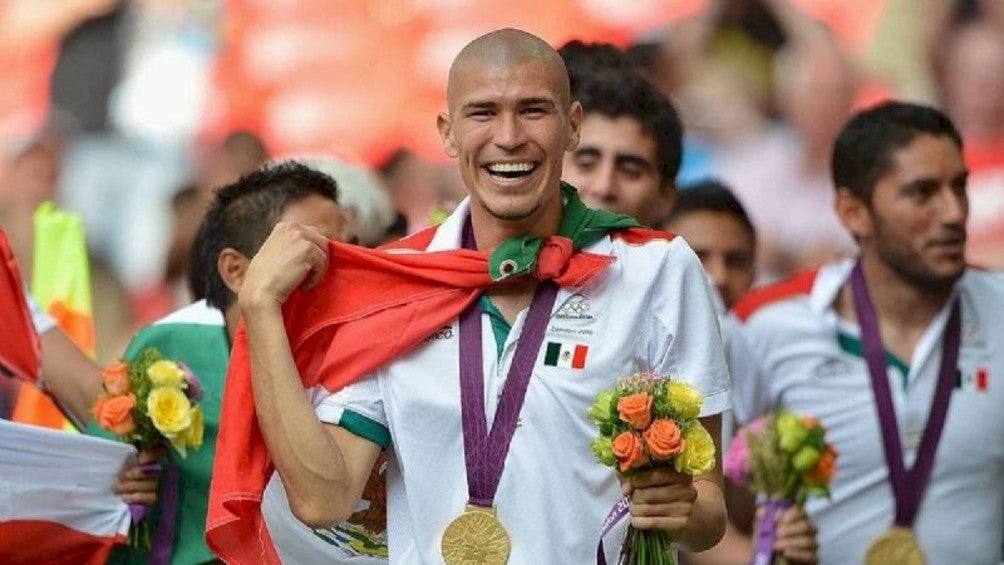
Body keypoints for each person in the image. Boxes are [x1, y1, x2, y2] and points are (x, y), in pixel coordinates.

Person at [216, 28, 730, 564]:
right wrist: (261, 311)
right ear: (448, 132)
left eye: (533, 110)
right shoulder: (401, 282)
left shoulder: (656, 269)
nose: (509, 137)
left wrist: (680, 506)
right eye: (483, 112)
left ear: (571, 126)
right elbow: (324, 497)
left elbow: (708, 513)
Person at [732, 101, 1004, 563]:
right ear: (853, 212)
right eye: (923, 194)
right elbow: (713, 499)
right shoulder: (767, 326)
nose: (955, 212)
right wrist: (760, 547)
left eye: (959, 188)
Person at [94, 161, 387, 564]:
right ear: (237, 270)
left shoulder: (371, 355)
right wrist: (124, 480)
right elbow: (104, 472)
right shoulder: (170, 345)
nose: (342, 270)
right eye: (310, 251)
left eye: (353, 249)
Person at [660, 183, 818, 564]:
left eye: (736, 261)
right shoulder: (647, 357)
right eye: (699, 258)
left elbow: (751, 511)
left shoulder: (753, 355)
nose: (716, 276)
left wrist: (783, 541)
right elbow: (690, 526)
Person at [557, 41, 682, 226]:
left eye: (631, 171)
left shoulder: (683, 255)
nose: (604, 187)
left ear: (665, 196)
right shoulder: (505, 252)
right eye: (586, 164)